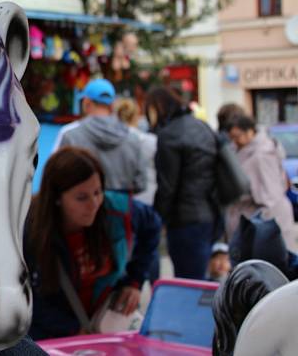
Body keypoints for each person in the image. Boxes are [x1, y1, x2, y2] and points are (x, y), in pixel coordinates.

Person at [24, 146, 161, 340]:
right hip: (52, 340)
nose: (94, 204)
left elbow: (153, 225)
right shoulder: (29, 230)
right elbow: (26, 300)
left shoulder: (115, 210)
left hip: (105, 327)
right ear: (56, 198)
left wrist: (135, 282)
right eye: (82, 197)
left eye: (98, 192)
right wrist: (70, 328)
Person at [145, 86, 220, 279]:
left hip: (184, 219)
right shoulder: (202, 126)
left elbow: (167, 186)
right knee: (201, 279)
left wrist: (157, 218)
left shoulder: (169, 135)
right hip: (210, 214)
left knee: (188, 282)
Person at [57, 79, 146, 193]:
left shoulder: (70, 135)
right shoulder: (133, 138)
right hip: (120, 208)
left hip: (80, 208)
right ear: (112, 105)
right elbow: (140, 183)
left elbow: (58, 177)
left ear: (86, 102)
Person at [226, 114, 295, 250]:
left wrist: (265, 226)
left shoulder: (261, 155)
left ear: (250, 131)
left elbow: (271, 195)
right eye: (232, 137)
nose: (235, 141)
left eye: (237, 136)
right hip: (254, 218)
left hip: (267, 218)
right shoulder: (245, 150)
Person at [115, 97, 157, 205]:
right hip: (148, 196)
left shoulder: (112, 141)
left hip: (120, 201)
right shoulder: (151, 141)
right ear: (136, 116)